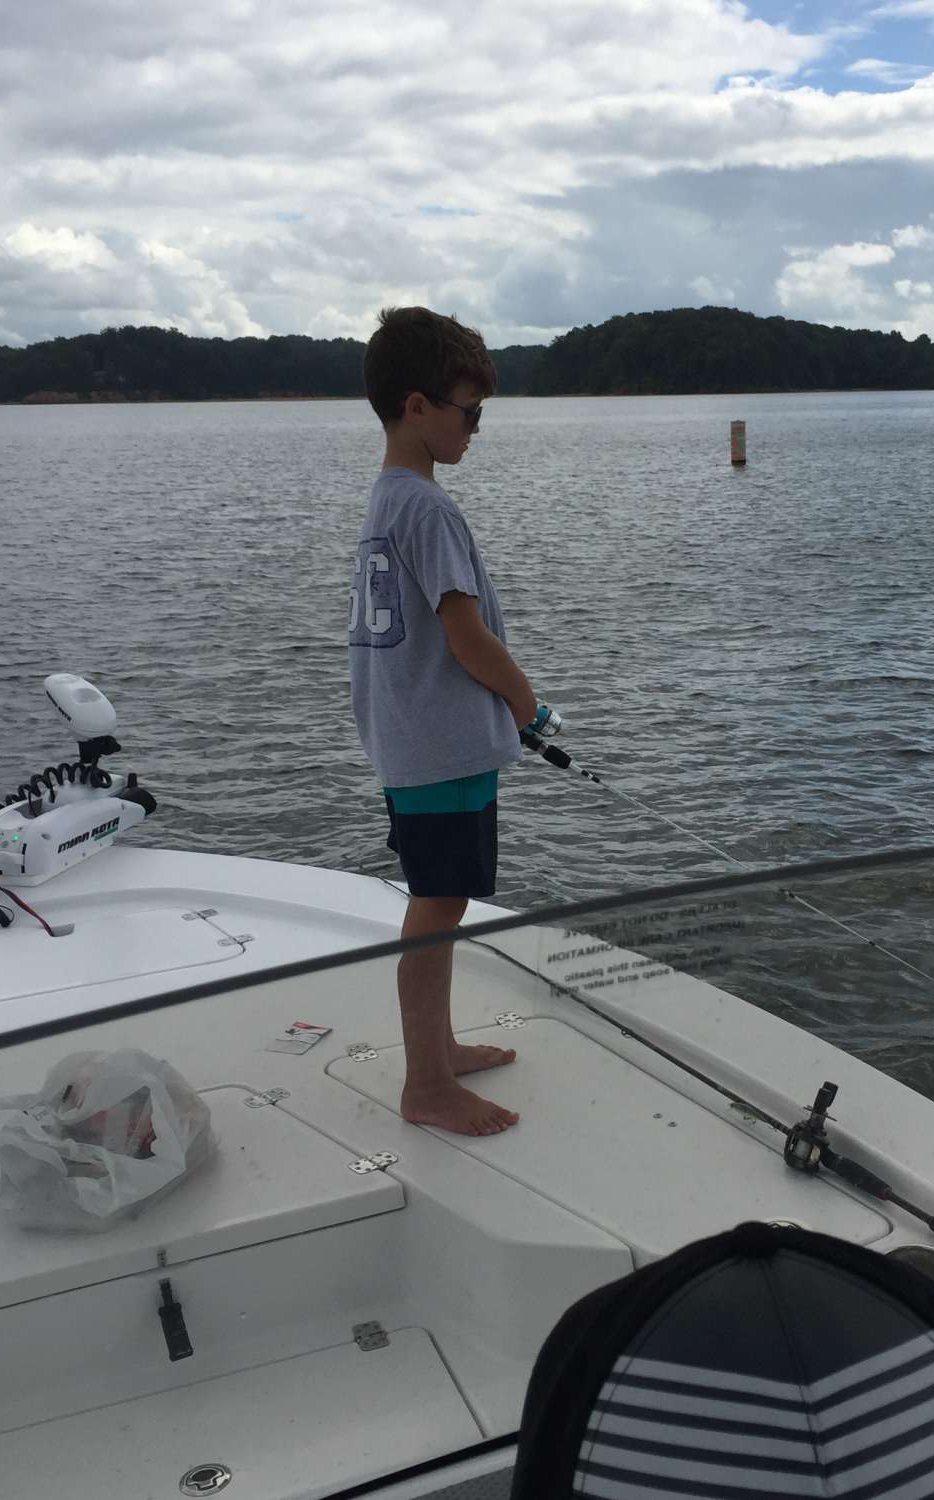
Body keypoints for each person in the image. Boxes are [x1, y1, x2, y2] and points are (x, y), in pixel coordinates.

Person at [349, 306, 549, 1137]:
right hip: (441, 744)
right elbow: (467, 637)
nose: (476, 428)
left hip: (411, 737)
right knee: (438, 906)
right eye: (469, 412)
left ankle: (441, 1048)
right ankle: (425, 1084)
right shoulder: (428, 510)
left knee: (443, 902)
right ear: (416, 405)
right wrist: (527, 704)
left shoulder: (390, 498)